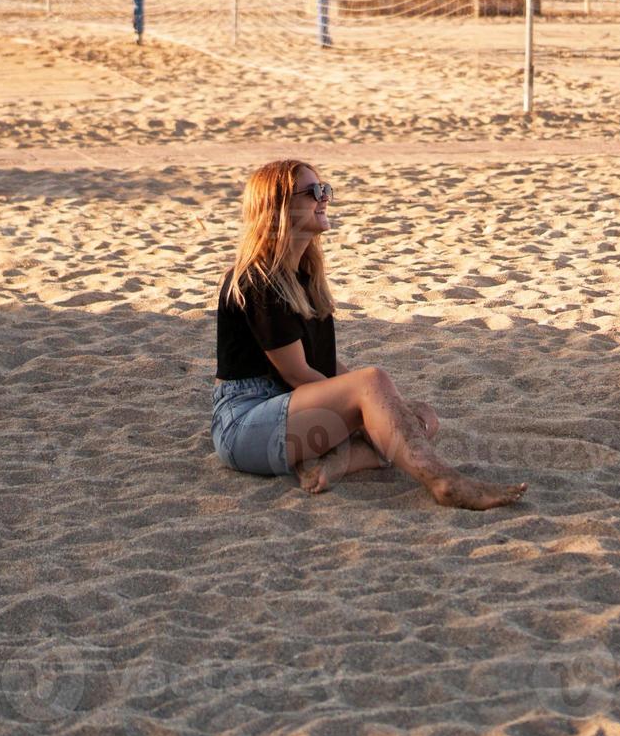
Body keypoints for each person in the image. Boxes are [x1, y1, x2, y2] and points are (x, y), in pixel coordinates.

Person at [212, 159, 527, 511]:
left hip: (291, 409)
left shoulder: (304, 275)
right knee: (376, 390)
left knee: (421, 417)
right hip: (246, 422)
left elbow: (324, 364)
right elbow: (297, 374)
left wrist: (386, 413)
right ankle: (445, 482)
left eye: (326, 189)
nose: (325, 198)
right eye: (313, 192)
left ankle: (341, 461)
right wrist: (364, 415)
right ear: (279, 207)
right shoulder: (257, 280)